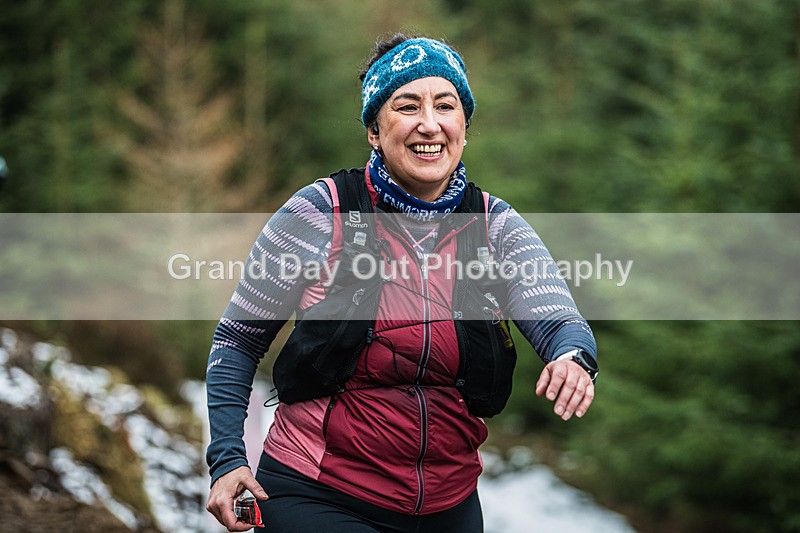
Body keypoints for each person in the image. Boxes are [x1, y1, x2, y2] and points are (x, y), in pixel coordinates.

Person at [205, 34, 598, 532]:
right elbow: (237, 340)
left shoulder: (495, 225)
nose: (429, 124)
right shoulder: (319, 212)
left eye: (446, 106)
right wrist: (227, 458)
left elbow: (558, 317)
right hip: (318, 493)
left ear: (464, 126)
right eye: (407, 106)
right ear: (374, 129)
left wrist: (571, 356)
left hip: (449, 505)